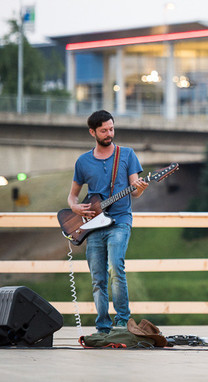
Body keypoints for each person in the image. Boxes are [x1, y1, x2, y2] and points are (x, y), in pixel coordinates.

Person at [67, 110, 148, 333]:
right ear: (92, 132)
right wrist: (74, 207)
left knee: (115, 267)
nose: (109, 133)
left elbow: (135, 192)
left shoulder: (127, 154)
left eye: (111, 128)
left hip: (120, 221)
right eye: (104, 130)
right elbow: (72, 196)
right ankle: (103, 326)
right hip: (93, 225)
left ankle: (123, 321)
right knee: (97, 277)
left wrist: (140, 188)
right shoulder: (83, 161)